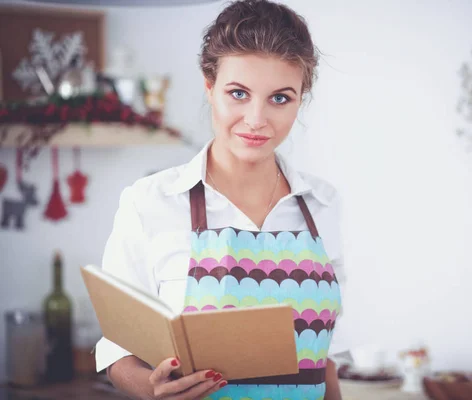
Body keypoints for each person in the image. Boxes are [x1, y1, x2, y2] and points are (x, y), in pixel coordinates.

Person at [95, 0, 347, 399]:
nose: (256, 119)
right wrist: (151, 389)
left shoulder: (323, 204)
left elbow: (325, 362)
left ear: (301, 98)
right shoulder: (150, 203)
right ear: (209, 87)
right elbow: (117, 351)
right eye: (239, 93)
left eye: (280, 98)